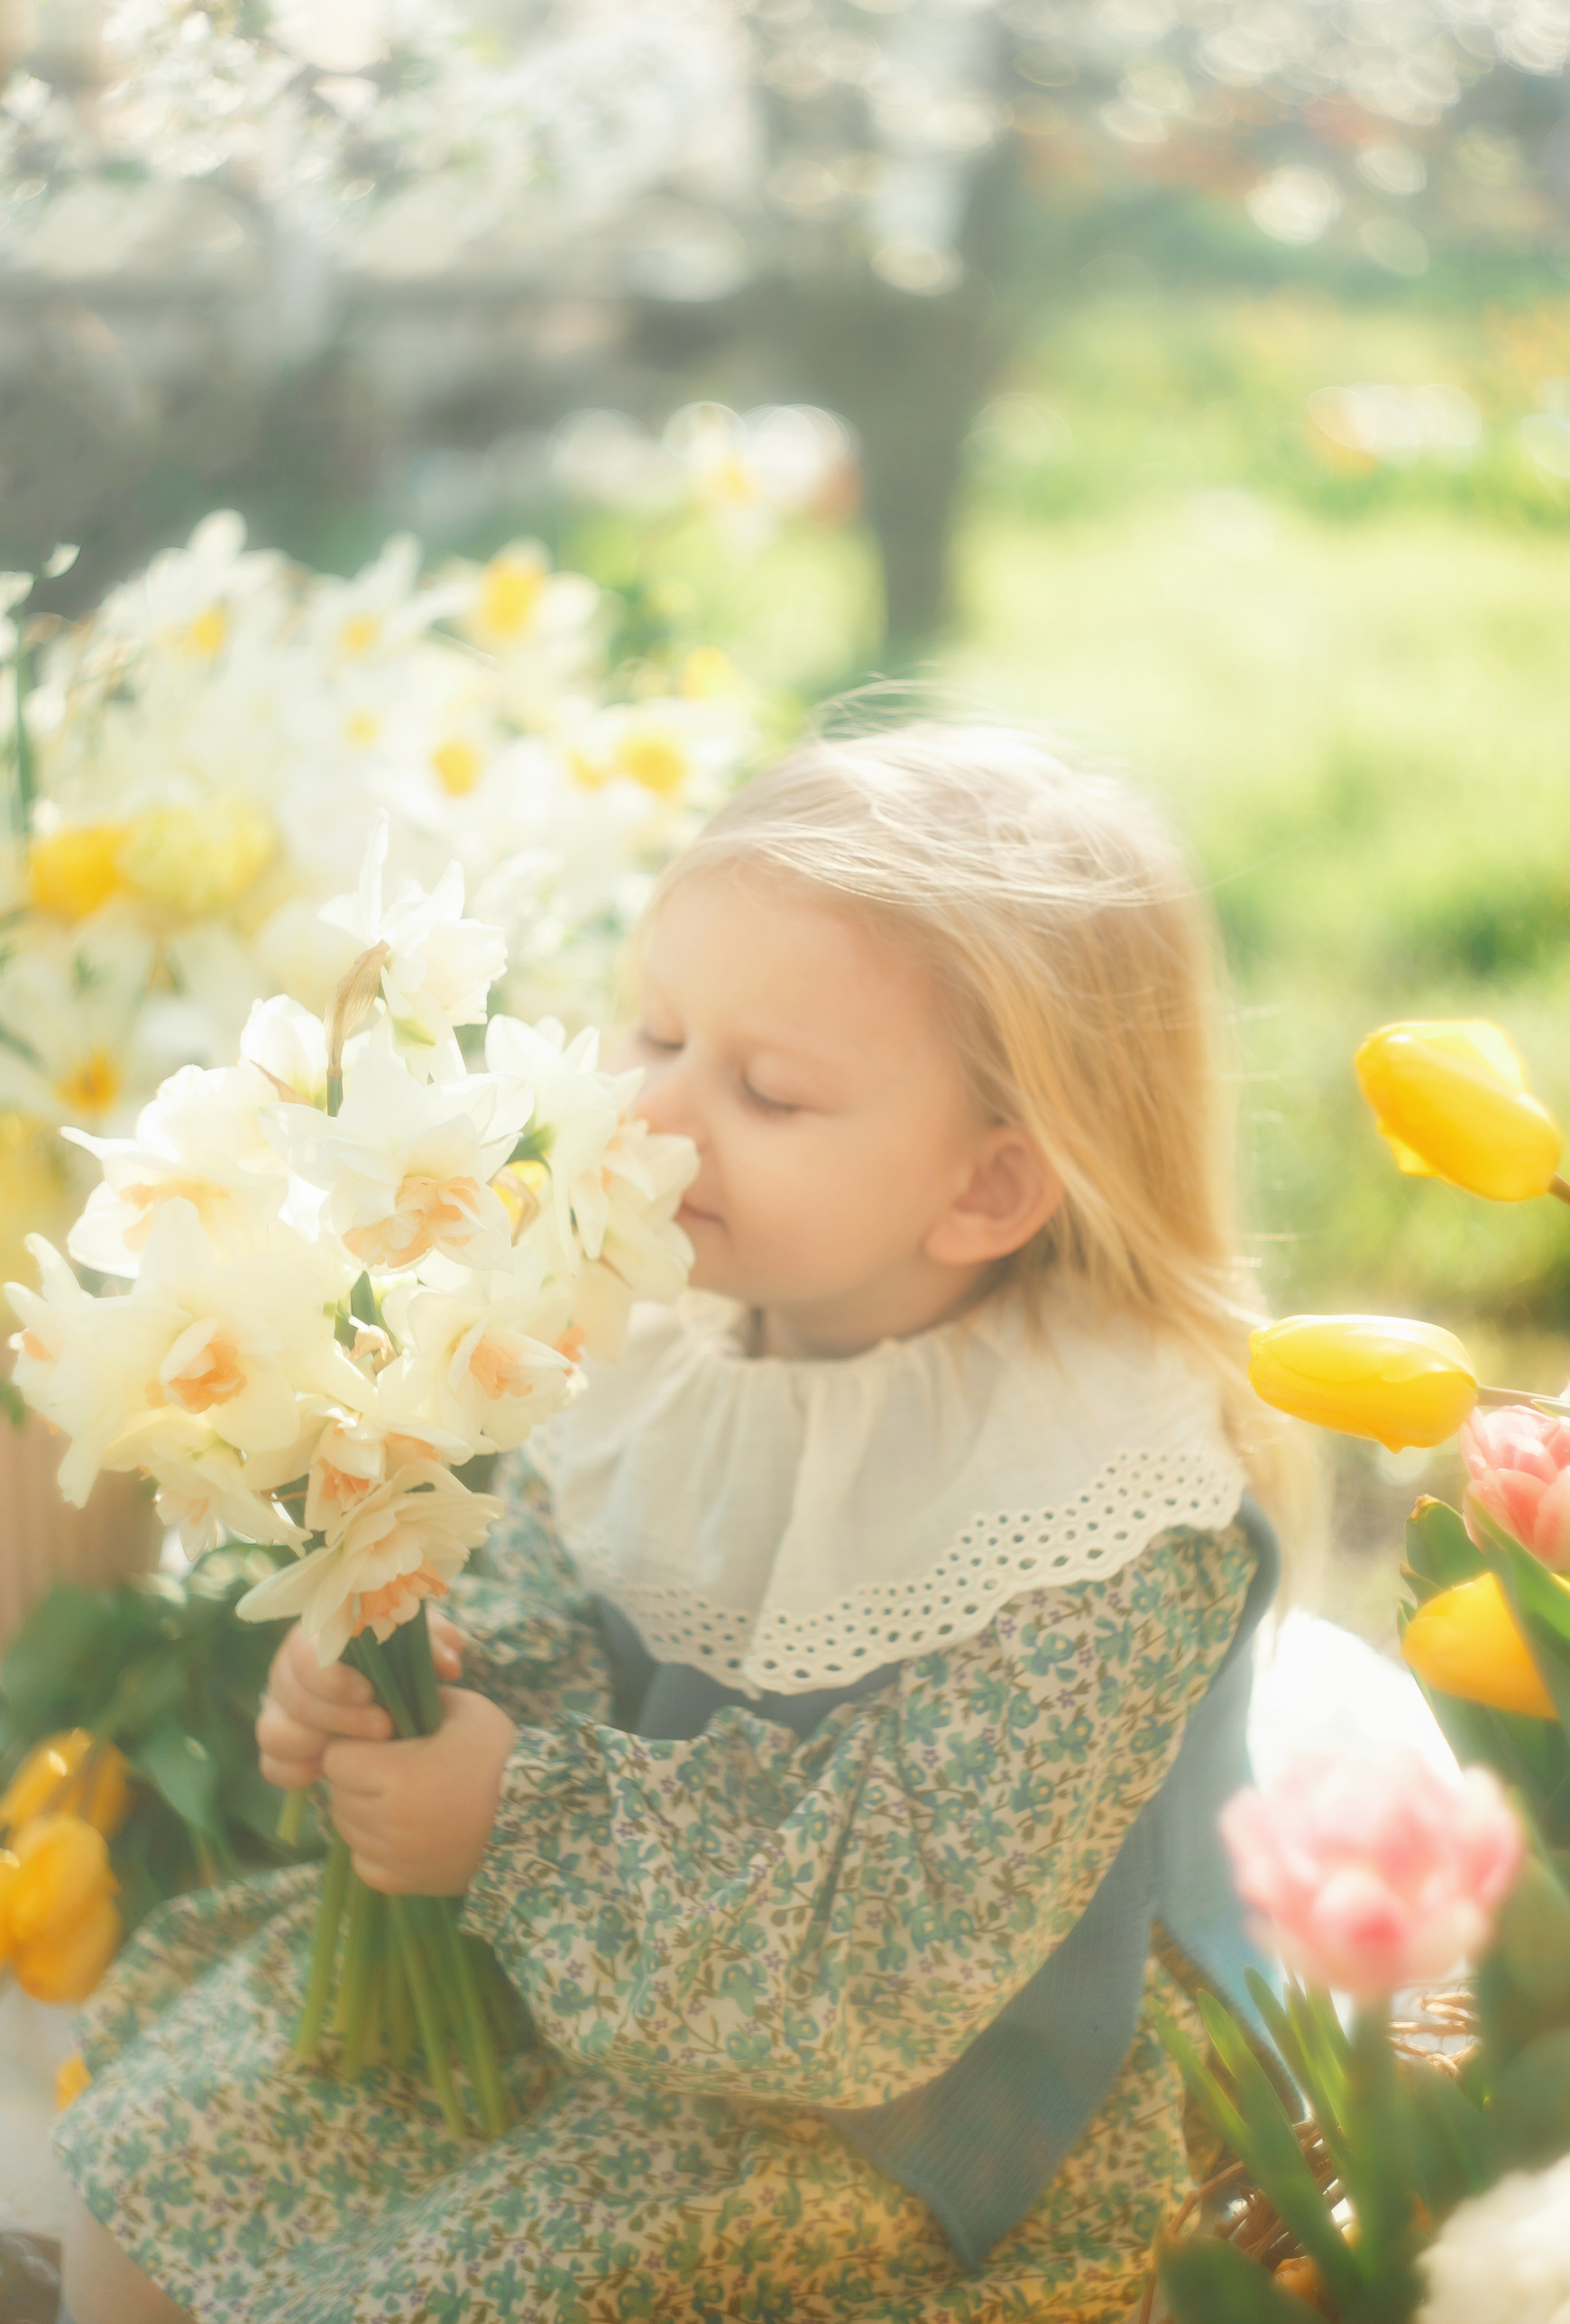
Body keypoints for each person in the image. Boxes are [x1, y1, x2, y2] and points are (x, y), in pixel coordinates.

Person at [58, 725, 1306, 2324]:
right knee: (165, 2147)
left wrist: (511, 1823)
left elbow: (889, 1958)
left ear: (987, 1191)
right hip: (593, 1960)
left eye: (769, 1091)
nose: (659, 1106)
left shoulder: (1100, 1502)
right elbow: (529, 1605)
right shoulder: (657, 1327)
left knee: (469, 2278)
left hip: (912, 2103)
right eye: (654, 1028)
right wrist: (394, 1682)